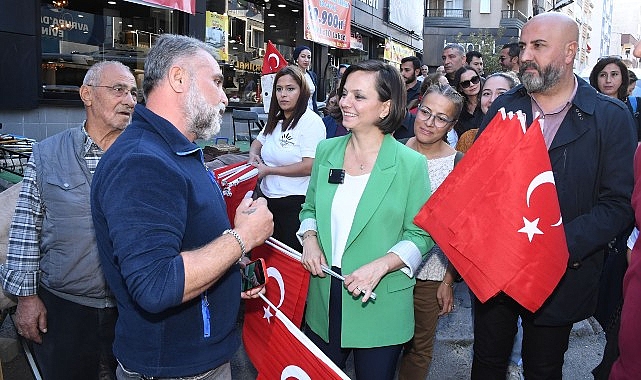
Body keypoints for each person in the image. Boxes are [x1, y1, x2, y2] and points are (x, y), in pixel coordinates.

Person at [90, 34, 273, 379]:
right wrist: (241, 239)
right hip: (173, 368)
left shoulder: (176, 150)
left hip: (195, 358)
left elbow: (185, 241)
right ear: (178, 78)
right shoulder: (143, 161)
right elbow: (156, 284)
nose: (224, 97)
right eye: (216, 82)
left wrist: (233, 263)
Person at [472, 13, 636, 380]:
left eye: (538, 46)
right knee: (486, 363)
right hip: (496, 266)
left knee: (543, 369)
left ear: (569, 52)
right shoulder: (505, 107)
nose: (524, 55)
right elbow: (479, 185)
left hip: (562, 273)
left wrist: (556, 245)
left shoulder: (610, 117)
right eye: (523, 46)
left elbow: (619, 204)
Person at [0, 61, 136, 380]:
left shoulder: (144, 154)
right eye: (119, 89)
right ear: (87, 94)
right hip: (64, 307)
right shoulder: (47, 153)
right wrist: (27, 298)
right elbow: (25, 230)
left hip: (131, 306)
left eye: (133, 91)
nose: (130, 99)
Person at [297, 60, 433, 380]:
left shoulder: (410, 164)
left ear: (385, 107)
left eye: (359, 96)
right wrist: (311, 240)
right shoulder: (327, 151)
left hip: (380, 302)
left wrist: (383, 265)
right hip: (325, 297)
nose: (345, 102)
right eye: (345, 93)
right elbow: (309, 210)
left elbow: (422, 234)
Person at [397, 83, 464, 379]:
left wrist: (448, 280)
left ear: (452, 125)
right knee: (380, 344)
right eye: (425, 112)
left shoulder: (457, 164)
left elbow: (459, 230)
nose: (429, 122)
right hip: (384, 267)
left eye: (441, 118)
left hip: (431, 272)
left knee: (419, 347)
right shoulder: (391, 150)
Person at [248, 65, 325, 251]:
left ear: (302, 91)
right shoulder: (275, 119)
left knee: (290, 264)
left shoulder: (311, 122)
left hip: (295, 204)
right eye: (279, 89)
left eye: (290, 89)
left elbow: (309, 166)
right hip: (267, 200)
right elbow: (258, 142)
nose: (283, 94)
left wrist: (269, 170)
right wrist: (253, 156)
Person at [455, 72, 519, 153]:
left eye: (501, 93)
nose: (492, 100)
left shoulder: (528, 135)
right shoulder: (468, 139)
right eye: (487, 93)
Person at [589, 56, 641, 140]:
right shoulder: (585, 107)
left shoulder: (636, 105)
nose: (608, 80)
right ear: (595, 78)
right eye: (603, 75)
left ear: (623, 78)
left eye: (614, 74)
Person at [453, 66, 483, 137]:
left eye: (474, 79)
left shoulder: (489, 103)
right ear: (460, 88)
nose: (472, 85)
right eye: (465, 83)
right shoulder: (457, 109)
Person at [293, 45, 318, 113]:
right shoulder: (292, 75)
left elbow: (313, 99)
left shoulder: (312, 75)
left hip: (311, 112)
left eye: (309, 57)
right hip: (297, 112)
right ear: (297, 58)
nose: (306, 60)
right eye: (303, 56)